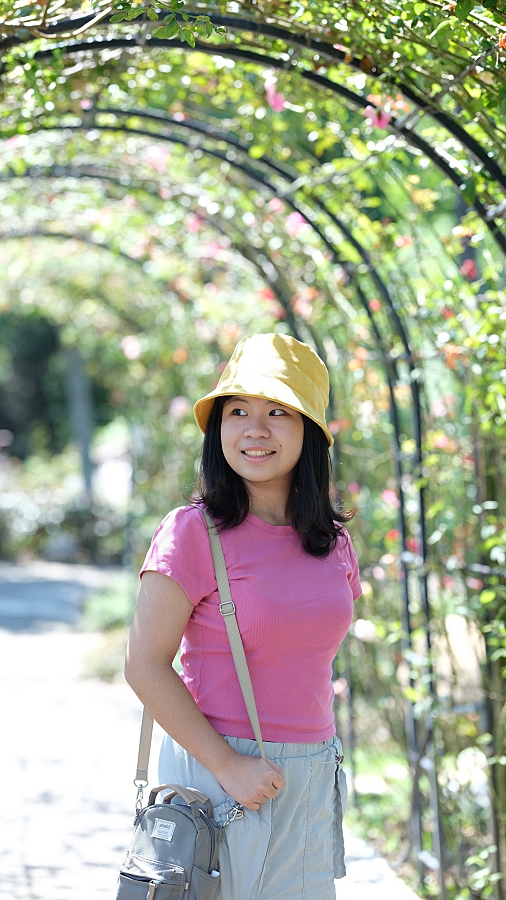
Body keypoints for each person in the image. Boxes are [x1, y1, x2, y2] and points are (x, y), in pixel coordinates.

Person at [125, 333, 361, 900]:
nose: (255, 429)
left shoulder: (333, 544)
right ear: (218, 429)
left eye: (278, 411)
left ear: (310, 432)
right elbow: (144, 666)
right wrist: (229, 765)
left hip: (310, 777)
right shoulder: (192, 532)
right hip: (217, 776)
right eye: (237, 412)